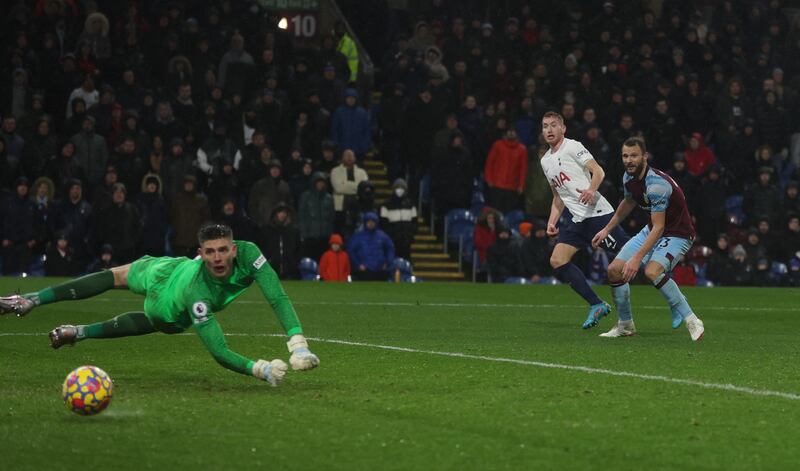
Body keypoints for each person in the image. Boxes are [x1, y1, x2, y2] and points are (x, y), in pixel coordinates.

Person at [0, 223, 319, 387]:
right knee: (139, 302)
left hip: (170, 274)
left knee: (119, 279)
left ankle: (55, 317)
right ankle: (39, 305)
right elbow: (219, 352)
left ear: (235, 249)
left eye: (223, 250)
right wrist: (259, 369)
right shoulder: (198, 295)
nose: (218, 258)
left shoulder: (251, 254)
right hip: (169, 290)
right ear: (201, 252)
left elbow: (277, 296)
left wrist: (298, 343)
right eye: (210, 252)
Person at [591, 137, 705, 341]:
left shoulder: (656, 185)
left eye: (634, 155)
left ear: (645, 157)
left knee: (652, 271)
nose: (629, 160)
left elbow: (660, 226)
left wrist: (636, 259)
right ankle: (625, 325)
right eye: (625, 156)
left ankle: (692, 320)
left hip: (678, 233)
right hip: (652, 229)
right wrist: (607, 229)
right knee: (614, 271)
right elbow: (628, 202)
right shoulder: (628, 177)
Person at [539, 111, 630, 329]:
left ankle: (668, 282)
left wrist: (591, 189)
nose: (549, 130)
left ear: (563, 129)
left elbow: (598, 172)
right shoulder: (545, 161)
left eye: (553, 125)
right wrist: (552, 222)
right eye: (545, 126)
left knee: (633, 257)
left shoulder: (573, 146)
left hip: (598, 215)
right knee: (557, 260)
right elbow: (558, 197)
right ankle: (596, 304)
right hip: (578, 220)